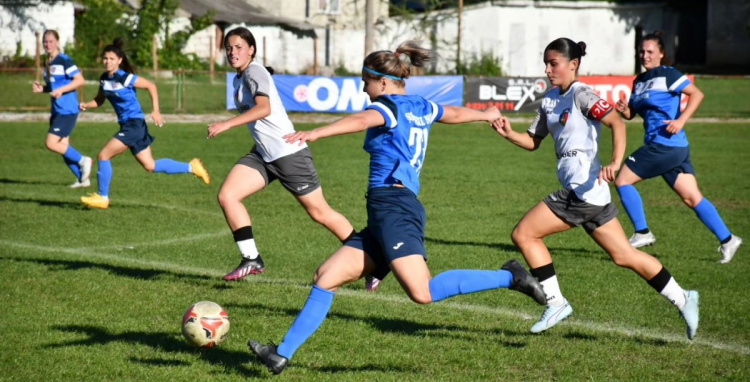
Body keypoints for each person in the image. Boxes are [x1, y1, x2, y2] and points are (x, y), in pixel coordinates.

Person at [247, 41, 547, 375]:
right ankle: (281, 354)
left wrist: (317, 132)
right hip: (384, 212)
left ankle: (511, 277)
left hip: (395, 207)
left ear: (384, 82)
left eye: (366, 81)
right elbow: (456, 113)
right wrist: (485, 114)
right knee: (326, 276)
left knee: (422, 292)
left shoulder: (387, 106)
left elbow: (362, 121)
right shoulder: (421, 105)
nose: (364, 87)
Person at [490, 37, 699, 338]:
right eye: (546, 63)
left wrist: (614, 162)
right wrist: (509, 134)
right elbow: (533, 142)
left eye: (554, 63)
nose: (548, 69)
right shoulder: (549, 100)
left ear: (573, 64)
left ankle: (556, 302)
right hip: (593, 195)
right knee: (624, 256)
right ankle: (683, 298)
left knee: (524, 234)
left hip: (582, 193)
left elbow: (618, 124)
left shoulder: (582, 95)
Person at [206, 27, 369, 285]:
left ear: (251, 50)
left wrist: (228, 124)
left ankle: (369, 260)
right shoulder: (240, 78)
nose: (232, 52)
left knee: (320, 212)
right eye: (228, 47)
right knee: (228, 195)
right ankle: (251, 259)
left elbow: (264, 108)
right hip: (263, 154)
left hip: (288, 153)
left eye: (238, 47)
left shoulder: (254, 71)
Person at [615, 31, 742, 263]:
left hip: (666, 146)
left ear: (661, 54)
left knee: (622, 180)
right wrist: (624, 109)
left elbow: (696, 94)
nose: (645, 55)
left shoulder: (668, 74)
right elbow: (633, 114)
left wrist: (681, 120)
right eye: (642, 51)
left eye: (650, 52)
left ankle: (642, 232)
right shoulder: (639, 81)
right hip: (670, 148)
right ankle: (728, 239)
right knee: (692, 198)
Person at [78, 39, 210, 209]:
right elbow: (100, 100)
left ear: (120, 60)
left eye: (111, 58)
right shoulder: (104, 79)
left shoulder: (125, 77)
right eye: (105, 58)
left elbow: (151, 86)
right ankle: (192, 167)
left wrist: (155, 111)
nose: (107, 62)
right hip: (130, 126)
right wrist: (87, 105)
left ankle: (103, 197)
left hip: (134, 125)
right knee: (150, 166)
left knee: (103, 155)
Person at [32, 29, 93, 188]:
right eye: (45, 41)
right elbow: (55, 86)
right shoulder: (49, 62)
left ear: (58, 42)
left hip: (68, 110)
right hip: (57, 110)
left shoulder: (64, 60)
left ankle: (83, 160)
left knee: (51, 143)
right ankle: (83, 179)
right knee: (63, 147)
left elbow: (80, 80)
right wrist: (43, 89)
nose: (48, 44)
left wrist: (61, 91)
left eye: (51, 41)